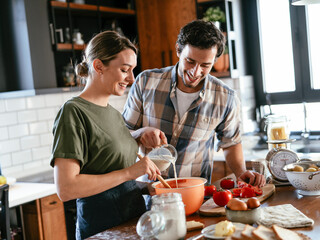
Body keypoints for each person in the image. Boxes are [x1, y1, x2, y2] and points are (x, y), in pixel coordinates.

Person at [123, 20, 266, 188]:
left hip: (195, 195)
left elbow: (231, 143)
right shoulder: (145, 82)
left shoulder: (226, 97)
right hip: (147, 194)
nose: (195, 72)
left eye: (205, 65)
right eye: (190, 61)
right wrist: (140, 133)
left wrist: (241, 173)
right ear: (178, 50)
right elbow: (123, 134)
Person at [50, 31, 160, 239]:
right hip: (101, 230)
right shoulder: (73, 112)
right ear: (99, 66)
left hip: (132, 225)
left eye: (132, 70)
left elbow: (111, 173)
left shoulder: (114, 114)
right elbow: (66, 188)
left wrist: (147, 187)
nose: (131, 78)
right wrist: (131, 172)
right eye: (125, 70)